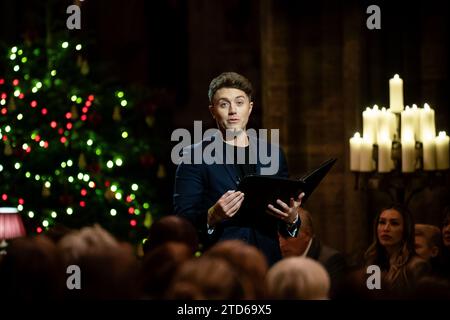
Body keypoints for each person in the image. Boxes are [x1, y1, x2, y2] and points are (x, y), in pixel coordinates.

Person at [173, 72, 303, 265]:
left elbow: (283, 224)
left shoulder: (273, 154)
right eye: (224, 104)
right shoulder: (194, 157)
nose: (233, 110)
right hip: (222, 267)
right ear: (212, 111)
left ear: (249, 108)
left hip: (267, 264)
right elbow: (183, 223)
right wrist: (212, 216)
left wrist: (292, 219)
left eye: (239, 103)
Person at [364, 204, 430, 296]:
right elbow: (370, 295)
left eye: (394, 223)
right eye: (382, 222)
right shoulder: (373, 261)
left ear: (405, 230)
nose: (386, 229)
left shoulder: (417, 265)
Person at [279, 208, 346, 296]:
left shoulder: (331, 261)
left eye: (288, 237)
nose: (281, 244)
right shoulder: (277, 256)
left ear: (307, 234)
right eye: (279, 237)